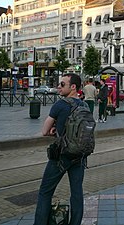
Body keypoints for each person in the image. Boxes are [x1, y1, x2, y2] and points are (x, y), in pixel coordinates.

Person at [33, 73, 87, 225]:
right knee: (76, 193)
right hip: (79, 156)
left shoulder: (60, 105)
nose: (58, 87)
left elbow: (44, 131)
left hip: (61, 156)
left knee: (45, 192)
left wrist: (54, 133)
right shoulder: (85, 105)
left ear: (73, 87)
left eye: (62, 84)